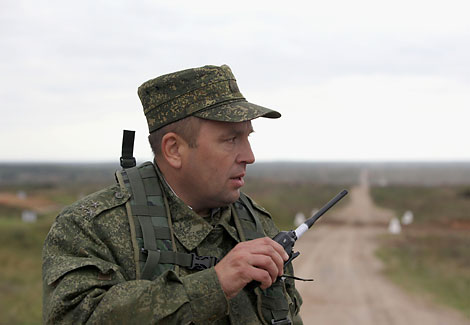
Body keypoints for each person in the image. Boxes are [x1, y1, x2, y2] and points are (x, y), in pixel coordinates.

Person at [42, 65, 303, 324]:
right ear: (174, 149)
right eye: (230, 139)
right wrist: (215, 285)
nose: (249, 156)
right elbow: (76, 317)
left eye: (247, 137)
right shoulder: (90, 228)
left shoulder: (255, 225)